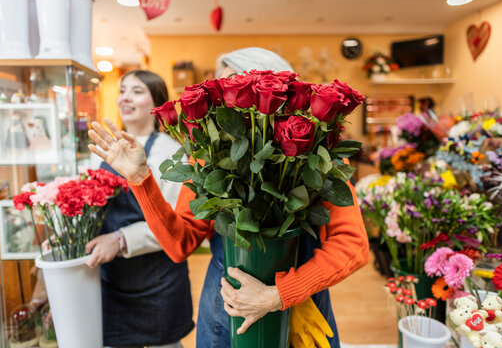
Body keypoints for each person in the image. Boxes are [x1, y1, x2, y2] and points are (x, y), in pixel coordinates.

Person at [88, 48, 369, 348]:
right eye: (222, 90)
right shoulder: (209, 157)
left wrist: (277, 296)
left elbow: (352, 244)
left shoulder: (318, 156)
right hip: (226, 316)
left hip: (300, 314)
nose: (226, 100)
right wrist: (140, 179)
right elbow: (179, 242)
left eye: (236, 86)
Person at [85, 70, 194, 348]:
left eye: (137, 91)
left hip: (159, 280)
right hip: (113, 278)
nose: (125, 97)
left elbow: (174, 224)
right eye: (123, 90)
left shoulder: (172, 154)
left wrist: (120, 239)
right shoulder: (101, 150)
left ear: (156, 103)